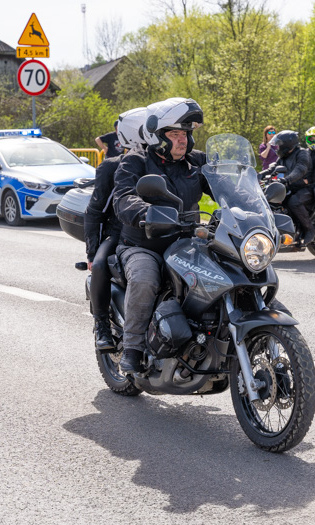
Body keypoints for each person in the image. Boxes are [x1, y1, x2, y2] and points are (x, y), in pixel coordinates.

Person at [112, 97, 207, 373]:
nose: (182, 140)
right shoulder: (136, 162)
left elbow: (228, 183)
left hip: (186, 242)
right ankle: (132, 349)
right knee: (144, 278)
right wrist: (146, 213)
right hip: (144, 244)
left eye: (186, 135)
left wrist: (251, 197)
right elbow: (123, 198)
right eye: (175, 134)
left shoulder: (195, 163)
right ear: (157, 136)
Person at [86, 107, 148, 350]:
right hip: (120, 233)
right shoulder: (111, 167)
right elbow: (94, 211)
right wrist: (92, 252)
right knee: (100, 265)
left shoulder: (164, 163)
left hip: (160, 232)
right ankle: (101, 324)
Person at [259, 130, 315, 246]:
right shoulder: (284, 155)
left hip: (305, 186)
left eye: (280, 145)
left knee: (293, 202)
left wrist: (287, 179)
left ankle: (310, 229)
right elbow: (273, 167)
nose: (278, 147)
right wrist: (260, 174)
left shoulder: (302, 153)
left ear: (287, 145)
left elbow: (300, 169)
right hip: (290, 185)